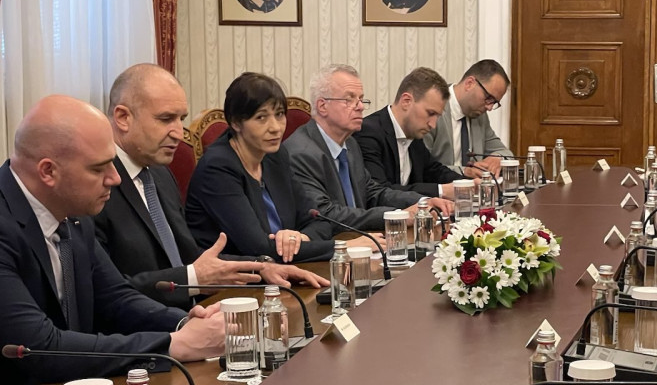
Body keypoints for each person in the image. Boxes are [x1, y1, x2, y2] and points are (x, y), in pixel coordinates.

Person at [0, 95, 225, 385]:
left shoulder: (72, 211)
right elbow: (38, 347)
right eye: (98, 168)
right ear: (48, 172)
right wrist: (173, 344)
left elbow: (115, 297)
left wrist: (183, 322)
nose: (115, 178)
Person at [94, 64, 326, 309]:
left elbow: (190, 255)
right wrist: (192, 282)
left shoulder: (159, 174)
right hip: (148, 325)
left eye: (181, 119)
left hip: (197, 311)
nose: (178, 133)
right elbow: (106, 291)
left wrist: (261, 267)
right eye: (166, 119)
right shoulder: (95, 185)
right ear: (123, 118)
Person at [186, 73, 357, 263]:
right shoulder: (217, 168)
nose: (275, 127)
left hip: (283, 269)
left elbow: (319, 220)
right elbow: (258, 248)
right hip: (234, 276)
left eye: (279, 114)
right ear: (236, 123)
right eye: (261, 117)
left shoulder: (274, 155)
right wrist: (344, 248)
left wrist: (298, 238)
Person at [284, 64, 453, 231]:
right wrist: (397, 215)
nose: (360, 107)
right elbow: (326, 213)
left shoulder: (350, 144)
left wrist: (423, 203)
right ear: (322, 106)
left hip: (359, 239)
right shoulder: (301, 153)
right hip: (330, 243)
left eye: (360, 99)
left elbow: (373, 193)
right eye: (349, 99)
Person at [356, 67, 466, 198]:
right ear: (406, 101)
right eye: (430, 113)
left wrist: (467, 184)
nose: (433, 124)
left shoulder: (414, 133)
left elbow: (434, 171)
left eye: (437, 116)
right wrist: (441, 191)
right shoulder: (368, 132)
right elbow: (379, 191)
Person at [422, 59, 514, 177]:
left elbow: (506, 152)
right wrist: (464, 171)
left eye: (494, 102)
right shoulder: (433, 108)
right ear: (469, 83)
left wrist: (498, 158)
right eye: (489, 98)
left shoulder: (479, 116)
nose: (490, 107)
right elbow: (423, 167)